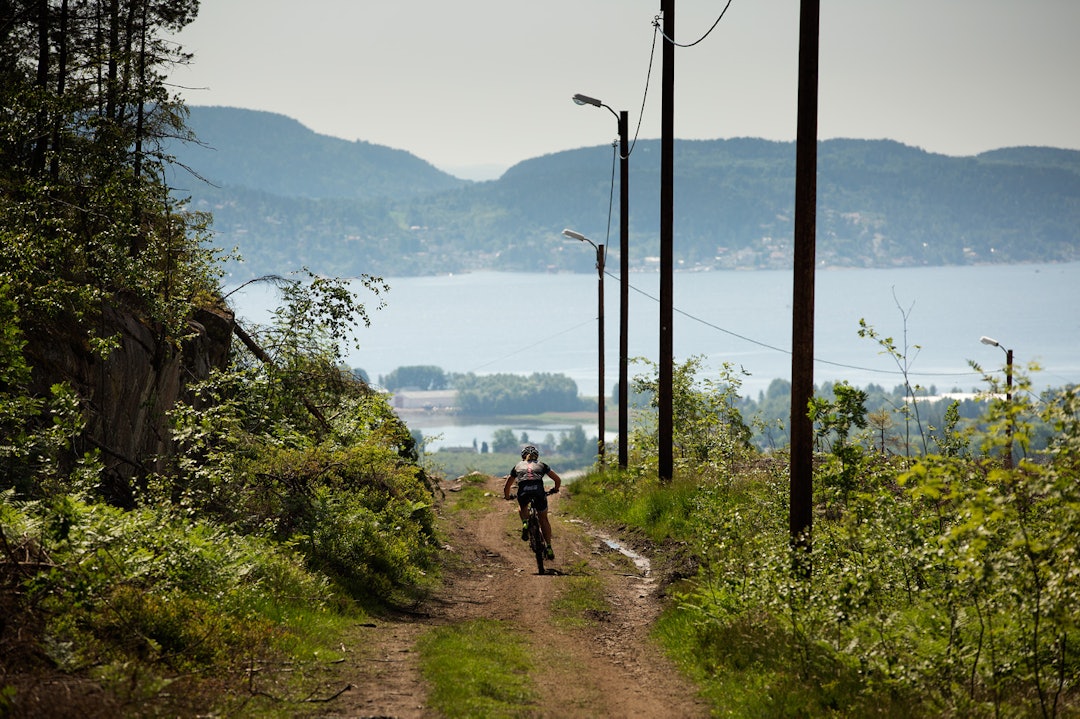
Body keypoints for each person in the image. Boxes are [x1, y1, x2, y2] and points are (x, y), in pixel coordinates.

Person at [503, 445, 562, 560]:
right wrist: (555, 489)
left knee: (522, 505)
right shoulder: (542, 465)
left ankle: (525, 522)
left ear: (523, 456)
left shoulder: (517, 466)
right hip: (539, 491)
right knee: (543, 519)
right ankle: (549, 547)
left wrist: (507, 497)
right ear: (537, 456)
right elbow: (557, 480)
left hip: (523, 491)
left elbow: (507, 486)